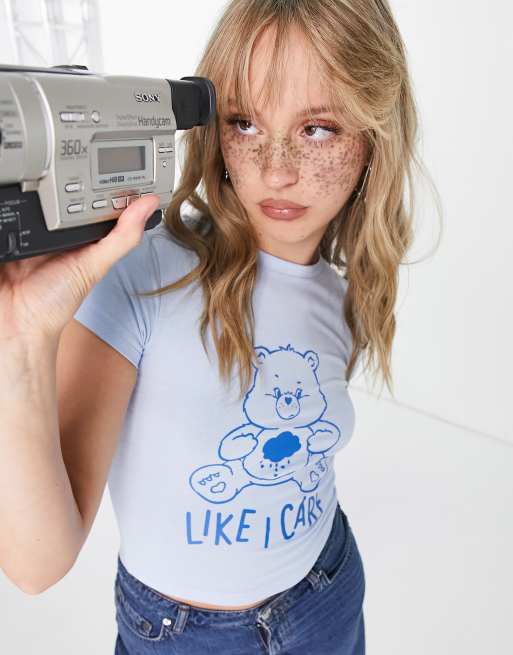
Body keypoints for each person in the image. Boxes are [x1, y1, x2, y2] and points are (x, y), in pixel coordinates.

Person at [0, 1, 436, 653]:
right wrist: (19, 340)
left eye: (318, 128)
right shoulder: (142, 274)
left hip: (326, 596)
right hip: (180, 636)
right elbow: (37, 564)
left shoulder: (343, 287)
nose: (277, 168)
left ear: (375, 135)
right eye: (244, 122)